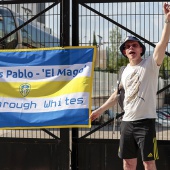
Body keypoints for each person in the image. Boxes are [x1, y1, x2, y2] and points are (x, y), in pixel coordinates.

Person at [90, 2, 170, 170]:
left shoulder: (150, 64)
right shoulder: (124, 71)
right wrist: (99, 110)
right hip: (126, 123)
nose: (130, 48)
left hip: (145, 123)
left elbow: (162, 45)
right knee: (128, 163)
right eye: (127, 47)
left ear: (141, 49)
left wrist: (167, 21)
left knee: (149, 163)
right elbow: (116, 96)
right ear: (125, 53)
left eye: (134, 45)